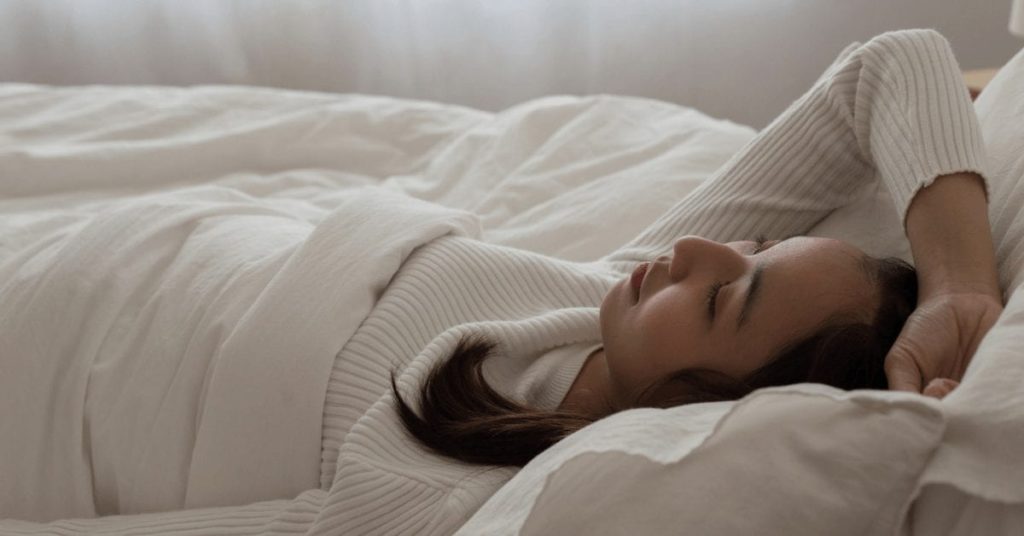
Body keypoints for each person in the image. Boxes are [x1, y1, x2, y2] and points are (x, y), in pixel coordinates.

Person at [1, 28, 1004, 536]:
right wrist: (955, 284)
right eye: (745, 257)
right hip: (130, 249)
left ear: (699, 407)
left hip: (56, 381)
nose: (700, 252)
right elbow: (891, 65)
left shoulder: (448, 492)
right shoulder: (610, 295)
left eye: (720, 299)